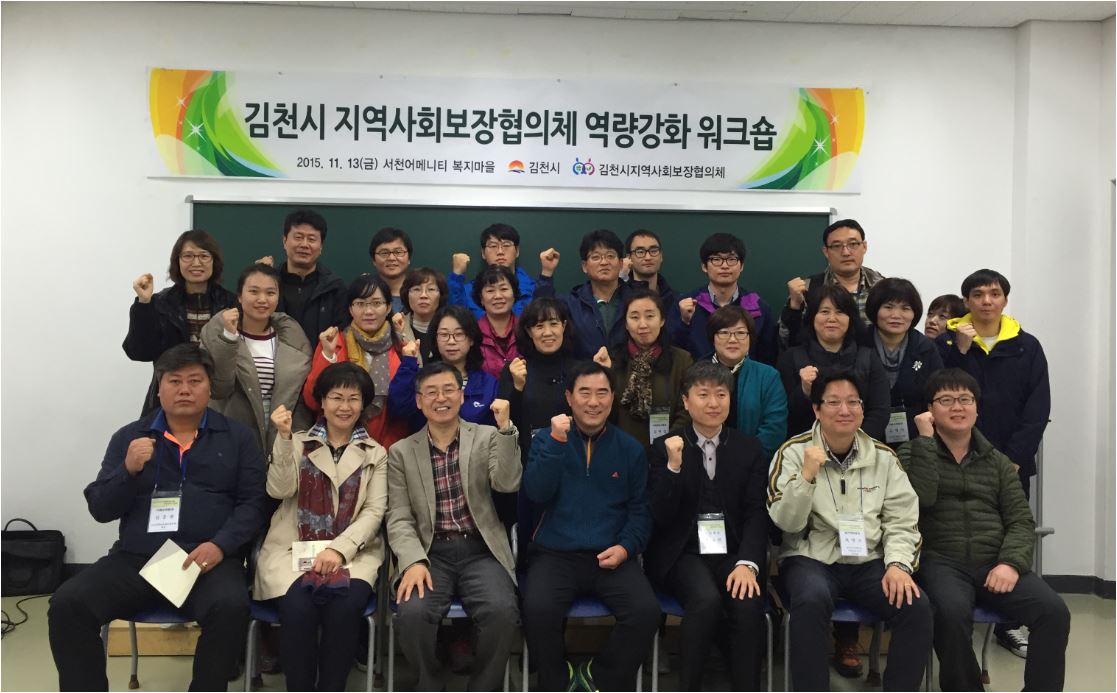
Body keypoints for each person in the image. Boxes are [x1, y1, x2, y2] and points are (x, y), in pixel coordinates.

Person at [48, 344, 267, 691]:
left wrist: (220, 546)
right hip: (137, 559)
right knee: (68, 603)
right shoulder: (129, 438)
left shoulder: (238, 437)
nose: (184, 389)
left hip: (205, 561)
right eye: (174, 381)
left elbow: (253, 503)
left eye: (194, 381)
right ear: (159, 387)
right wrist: (127, 470)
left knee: (230, 606)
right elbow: (101, 509)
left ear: (210, 387)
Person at [899, 368, 1070, 691]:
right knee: (949, 613)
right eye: (946, 400)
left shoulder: (997, 462)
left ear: (977, 408)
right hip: (941, 560)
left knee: (1053, 611)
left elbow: (1021, 520)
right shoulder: (912, 452)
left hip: (995, 560)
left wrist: (1010, 563)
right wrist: (924, 440)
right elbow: (921, 499)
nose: (957, 407)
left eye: (965, 399)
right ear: (929, 410)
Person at [768, 370, 930, 692]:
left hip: (869, 560)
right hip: (810, 558)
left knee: (916, 606)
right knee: (811, 599)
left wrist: (898, 565)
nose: (845, 410)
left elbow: (902, 519)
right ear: (816, 409)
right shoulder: (792, 452)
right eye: (833, 402)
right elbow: (786, 523)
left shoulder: (883, 457)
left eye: (853, 402)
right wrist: (806, 477)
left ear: (862, 409)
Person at [522, 361, 659, 692]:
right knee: (536, 609)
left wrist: (625, 547)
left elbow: (640, 511)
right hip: (555, 554)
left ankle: (598, 678)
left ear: (612, 398)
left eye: (602, 393)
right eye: (584, 393)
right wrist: (556, 442)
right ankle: (557, 682)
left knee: (645, 612)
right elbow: (536, 493)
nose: (593, 402)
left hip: (611, 555)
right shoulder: (546, 440)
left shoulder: (630, 448)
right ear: (569, 398)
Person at [935, 269, 1051, 659]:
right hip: (955, 460)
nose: (987, 301)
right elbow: (940, 392)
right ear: (966, 301)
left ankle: (1008, 625)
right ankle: (959, 618)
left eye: (995, 293)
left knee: (1009, 535)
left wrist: (1015, 460)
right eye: (978, 294)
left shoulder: (1026, 345)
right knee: (959, 533)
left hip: (1010, 464)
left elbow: (1037, 409)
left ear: (1004, 299)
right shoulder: (948, 342)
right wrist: (960, 351)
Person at [386, 363, 521, 692]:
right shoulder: (401, 452)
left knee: (502, 612)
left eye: (449, 390)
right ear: (419, 401)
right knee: (412, 615)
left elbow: (507, 483)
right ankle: (430, 684)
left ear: (461, 396)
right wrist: (412, 561)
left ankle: (483, 687)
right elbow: (399, 516)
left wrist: (506, 430)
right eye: (431, 392)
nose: (441, 398)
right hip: (430, 553)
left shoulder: (488, 436)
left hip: (481, 550)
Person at [255, 362, 388, 692]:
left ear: (363, 404)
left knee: (345, 607)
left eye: (353, 398)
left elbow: (374, 512)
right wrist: (283, 439)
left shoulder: (376, 453)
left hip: (352, 554)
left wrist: (338, 550)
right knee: (298, 609)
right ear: (322, 402)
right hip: (293, 550)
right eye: (336, 397)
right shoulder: (298, 442)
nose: (345, 406)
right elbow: (279, 490)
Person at [645, 361, 770, 691]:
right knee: (705, 599)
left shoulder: (749, 449)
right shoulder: (664, 447)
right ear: (686, 402)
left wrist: (748, 563)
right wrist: (673, 468)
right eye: (703, 395)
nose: (713, 403)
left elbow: (756, 513)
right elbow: (659, 515)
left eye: (721, 394)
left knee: (747, 600)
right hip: (682, 553)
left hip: (732, 552)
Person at [200, 262, 313, 453]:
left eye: (270, 293)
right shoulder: (217, 332)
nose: (262, 299)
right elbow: (219, 388)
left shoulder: (293, 336)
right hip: (231, 440)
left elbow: (301, 395)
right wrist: (229, 338)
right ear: (239, 296)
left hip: (283, 440)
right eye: (254, 291)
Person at [123, 229, 236, 415]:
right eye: (188, 256)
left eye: (204, 256)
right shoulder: (160, 303)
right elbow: (139, 352)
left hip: (219, 400)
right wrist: (144, 303)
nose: (196, 263)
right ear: (177, 261)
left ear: (214, 261)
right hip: (171, 399)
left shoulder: (231, 304)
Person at [497, 297, 578, 537]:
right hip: (529, 468)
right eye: (539, 326)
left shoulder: (579, 370)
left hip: (573, 465)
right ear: (529, 331)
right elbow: (505, 423)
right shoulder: (515, 369)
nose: (547, 332)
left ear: (564, 326)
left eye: (553, 324)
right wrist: (517, 387)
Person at [302, 274, 409, 452]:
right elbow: (312, 401)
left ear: (388, 307)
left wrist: (385, 451)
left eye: (376, 303)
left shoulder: (401, 348)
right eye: (360, 304)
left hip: (383, 450)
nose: (368, 311)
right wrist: (327, 355)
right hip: (333, 447)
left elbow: (402, 414)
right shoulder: (333, 342)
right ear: (350, 309)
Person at [777, 284, 890, 442]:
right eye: (824, 312)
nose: (832, 318)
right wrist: (804, 392)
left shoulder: (868, 357)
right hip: (806, 448)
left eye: (840, 312)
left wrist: (852, 444)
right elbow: (784, 415)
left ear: (850, 319)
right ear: (812, 317)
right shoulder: (791, 358)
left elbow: (879, 412)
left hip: (861, 447)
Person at [597, 288, 693, 448]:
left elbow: (687, 409)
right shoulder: (612, 360)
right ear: (626, 324)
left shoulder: (682, 360)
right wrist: (605, 372)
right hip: (621, 449)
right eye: (634, 317)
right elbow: (605, 412)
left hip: (669, 449)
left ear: (662, 320)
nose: (643, 324)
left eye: (650, 316)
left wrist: (665, 445)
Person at [388, 305, 498, 433]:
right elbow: (397, 409)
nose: (451, 341)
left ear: (471, 339)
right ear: (435, 339)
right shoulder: (422, 378)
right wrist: (408, 363)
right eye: (444, 334)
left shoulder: (489, 384)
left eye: (459, 334)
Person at [675, 233, 778, 366]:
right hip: (698, 377)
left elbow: (768, 358)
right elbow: (673, 353)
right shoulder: (685, 305)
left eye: (731, 259)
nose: (724, 266)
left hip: (745, 377)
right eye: (716, 259)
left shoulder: (759, 308)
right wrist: (684, 322)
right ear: (704, 266)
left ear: (741, 266)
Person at [780, 218, 884, 349]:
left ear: (864, 247)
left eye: (853, 244)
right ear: (826, 252)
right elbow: (786, 340)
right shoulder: (808, 288)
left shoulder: (881, 286)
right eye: (836, 246)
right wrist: (793, 308)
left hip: (871, 361)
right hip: (820, 360)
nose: (846, 252)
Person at [865, 278, 943, 445]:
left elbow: (937, 395)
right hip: (865, 437)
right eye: (888, 307)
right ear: (875, 309)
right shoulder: (859, 343)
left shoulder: (926, 348)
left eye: (905, 308)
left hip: (916, 439)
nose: (896, 315)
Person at [535, 229, 635, 359]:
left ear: (621, 263)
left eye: (610, 256)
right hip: (584, 371)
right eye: (596, 257)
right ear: (584, 266)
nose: (604, 262)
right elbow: (541, 313)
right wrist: (547, 273)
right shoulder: (572, 304)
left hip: (628, 371)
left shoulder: (636, 299)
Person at [705, 304, 787, 459]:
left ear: (750, 338)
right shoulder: (697, 374)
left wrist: (745, 459)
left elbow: (774, 428)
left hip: (754, 463)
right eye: (724, 332)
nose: (733, 339)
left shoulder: (768, 376)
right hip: (703, 461)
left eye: (741, 333)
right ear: (712, 338)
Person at [269, 209, 349, 347]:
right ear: (284, 241)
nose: (304, 245)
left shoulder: (335, 288)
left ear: (321, 246)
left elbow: (341, 339)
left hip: (322, 359)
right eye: (298, 237)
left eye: (311, 239)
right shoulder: (268, 283)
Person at [448, 223, 544, 317]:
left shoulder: (534, 289)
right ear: (483, 253)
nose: (500, 252)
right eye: (493, 246)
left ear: (517, 251)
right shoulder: (468, 291)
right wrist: (457, 275)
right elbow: (456, 319)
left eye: (506, 245)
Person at [473, 265, 521, 378]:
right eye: (490, 290)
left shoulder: (527, 330)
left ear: (514, 294)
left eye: (504, 289)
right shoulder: (472, 334)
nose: (498, 296)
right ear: (481, 298)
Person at [394, 267, 448, 365]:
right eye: (417, 289)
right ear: (407, 295)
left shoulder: (451, 328)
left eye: (431, 289)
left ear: (441, 295)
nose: (423, 295)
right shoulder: (396, 328)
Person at [624, 229, 678, 320]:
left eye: (653, 251)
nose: (648, 257)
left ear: (661, 256)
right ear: (629, 258)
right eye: (640, 252)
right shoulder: (620, 299)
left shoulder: (676, 301)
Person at [368, 227, 412, 313]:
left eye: (398, 252)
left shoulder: (421, 294)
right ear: (374, 260)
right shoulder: (362, 295)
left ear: (409, 258)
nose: (391, 258)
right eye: (384, 253)